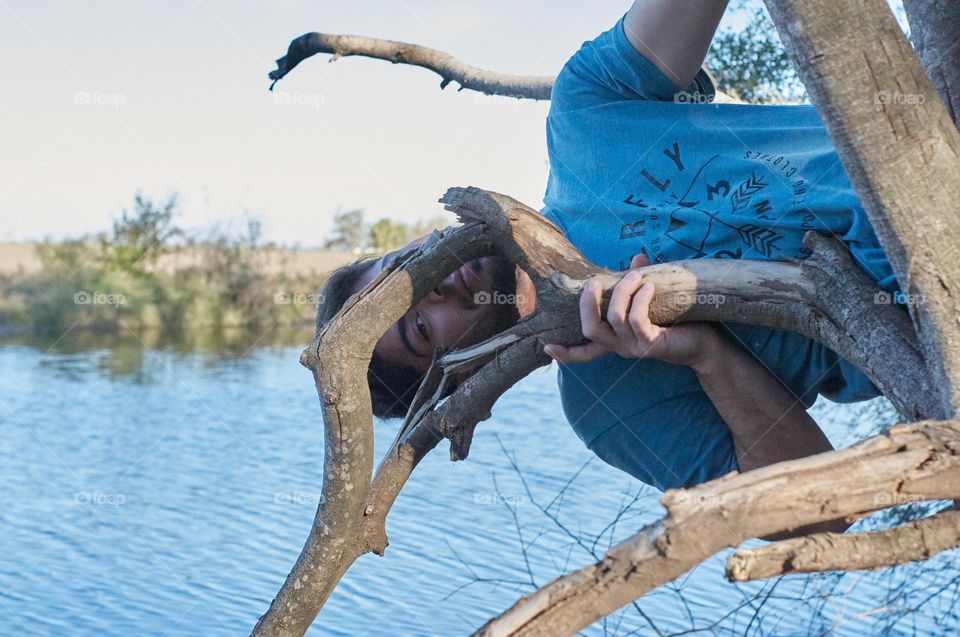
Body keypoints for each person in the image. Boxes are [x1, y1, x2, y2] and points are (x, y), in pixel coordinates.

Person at [314, 0, 899, 502]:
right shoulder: (608, 412)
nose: (431, 287)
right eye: (418, 327)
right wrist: (707, 355)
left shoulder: (586, 111)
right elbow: (820, 509)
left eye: (399, 274)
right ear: (456, 378)